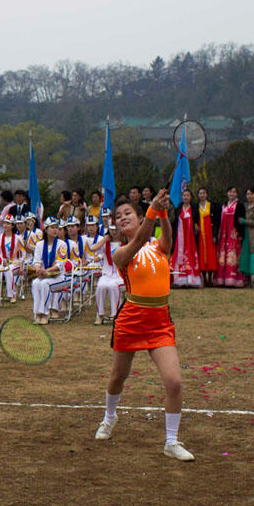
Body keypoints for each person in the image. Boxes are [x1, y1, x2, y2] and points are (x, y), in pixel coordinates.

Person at [94, 189, 194, 461]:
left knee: (173, 382)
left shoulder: (159, 247)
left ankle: (171, 442)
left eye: (128, 213)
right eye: (118, 216)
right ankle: (109, 418)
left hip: (160, 322)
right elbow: (139, 239)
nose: (122, 218)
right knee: (118, 376)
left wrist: (162, 211)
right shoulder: (121, 252)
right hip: (130, 321)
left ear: (140, 217)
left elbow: (168, 238)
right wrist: (153, 210)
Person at [29, 217, 69, 324]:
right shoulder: (39, 244)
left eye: (56, 227)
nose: (55, 230)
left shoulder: (62, 244)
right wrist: (38, 270)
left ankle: (45, 313)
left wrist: (45, 271)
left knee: (45, 284)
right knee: (35, 283)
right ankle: (37, 313)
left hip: (59, 277)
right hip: (45, 275)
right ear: (46, 229)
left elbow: (60, 264)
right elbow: (36, 262)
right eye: (52, 227)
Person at [89, 220, 123, 324]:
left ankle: (115, 314)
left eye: (116, 229)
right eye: (112, 230)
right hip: (107, 273)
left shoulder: (125, 242)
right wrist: (104, 239)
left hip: (121, 274)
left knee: (113, 286)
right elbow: (93, 248)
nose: (114, 232)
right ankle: (100, 314)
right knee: (101, 286)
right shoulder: (106, 243)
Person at [213, 186, 244, 287]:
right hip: (223, 234)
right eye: (230, 192)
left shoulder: (239, 206)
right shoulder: (223, 206)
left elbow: (241, 221)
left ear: (237, 194)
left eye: (234, 192)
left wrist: (241, 234)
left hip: (233, 234)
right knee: (222, 255)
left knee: (233, 255)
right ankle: (221, 278)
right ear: (227, 193)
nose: (232, 194)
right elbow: (218, 220)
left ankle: (234, 279)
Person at [170, 190, 201, 287]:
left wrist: (195, 225)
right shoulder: (178, 209)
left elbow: (197, 220)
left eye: (188, 195)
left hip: (190, 238)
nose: (186, 197)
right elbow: (174, 223)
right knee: (178, 255)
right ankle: (179, 279)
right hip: (180, 238)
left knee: (190, 255)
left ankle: (191, 280)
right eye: (184, 195)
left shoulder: (195, 208)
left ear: (191, 197)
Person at [196, 187, 219, 286]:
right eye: (200, 193)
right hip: (201, 234)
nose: (202, 195)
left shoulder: (212, 206)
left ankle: (210, 278)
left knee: (211, 255)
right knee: (202, 254)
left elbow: (216, 221)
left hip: (210, 233)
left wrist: (215, 233)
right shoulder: (196, 207)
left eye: (204, 193)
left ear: (207, 194)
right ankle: (204, 277)